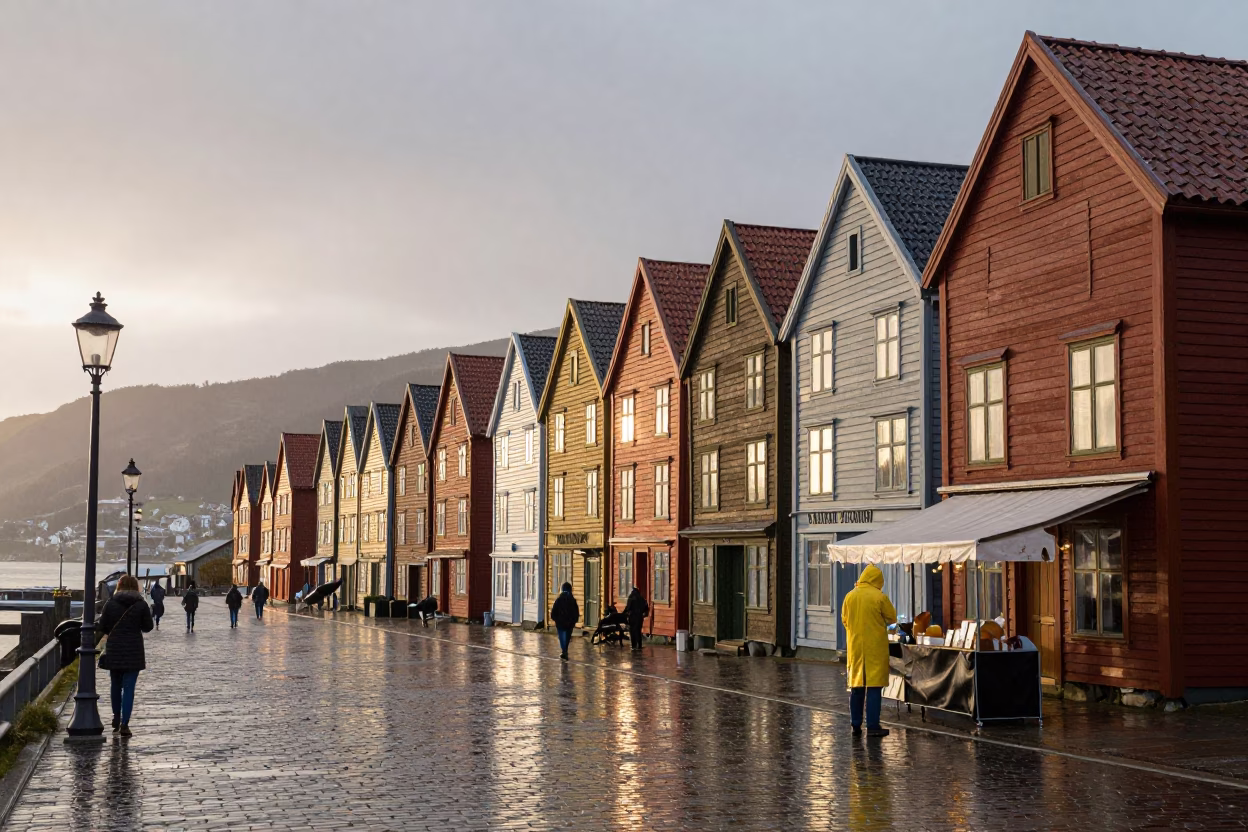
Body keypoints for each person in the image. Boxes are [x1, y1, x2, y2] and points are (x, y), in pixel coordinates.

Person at [841, 564, 897, 738]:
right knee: (873, 687)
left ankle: (855, 724)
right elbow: (892, 618)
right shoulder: (879, 597)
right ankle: (873, 725)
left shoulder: (849, 596)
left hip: (856, 648)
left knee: (857, 687)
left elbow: (845, 620)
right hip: (875, 649)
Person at [98, 574, 154, 737]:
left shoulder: (110, 603)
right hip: (133, 650)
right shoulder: (141, 604)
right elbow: (148, 627)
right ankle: (125, 723)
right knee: (129, 688)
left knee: (115, 685)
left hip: (115, 649)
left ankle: (116, 716)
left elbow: (103, 627)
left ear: (119, 586)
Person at [550, 582, 579, 661]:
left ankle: (564, 651)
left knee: (562, 637)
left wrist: (555, 618)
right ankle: (565, 650)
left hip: (560, 622)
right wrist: (574, 620)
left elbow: (554, 611)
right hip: (569, 623)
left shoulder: (559, 599)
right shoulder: (572, 600)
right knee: (567, 637)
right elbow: (576, 611)